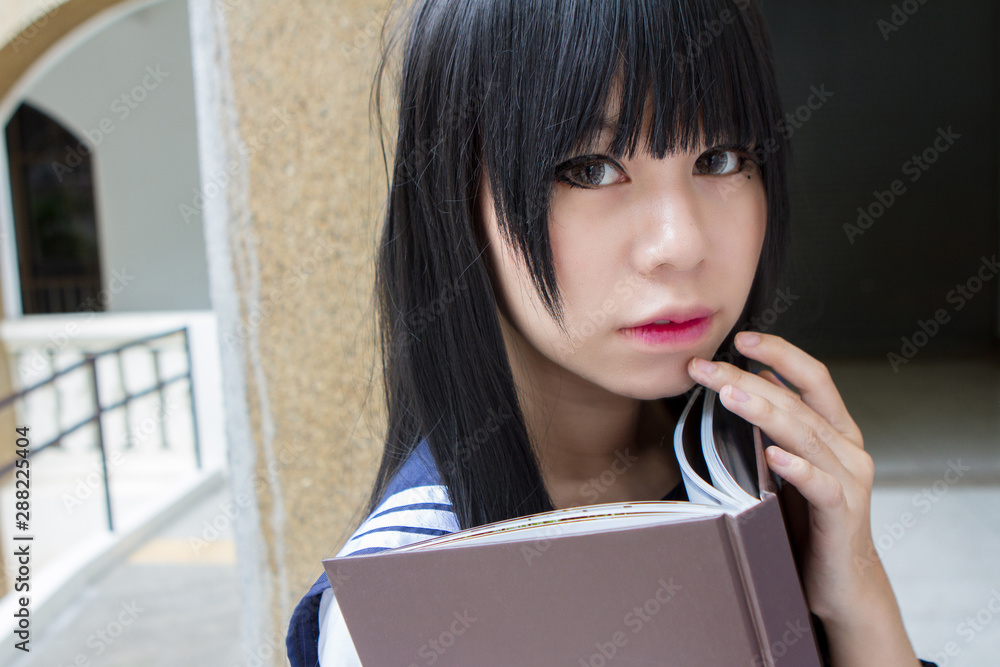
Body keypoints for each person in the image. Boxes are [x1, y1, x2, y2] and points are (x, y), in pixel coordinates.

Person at [287, 1, 939, 665]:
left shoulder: (743, 458)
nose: (680, 244)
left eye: (720, 157)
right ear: (454, 202)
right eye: (590, 169)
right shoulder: (402, 599)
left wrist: (855, 591)